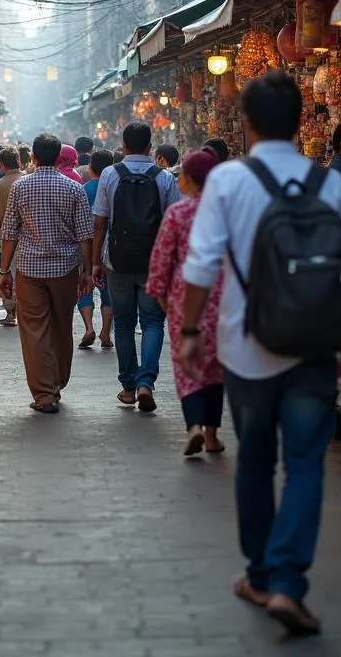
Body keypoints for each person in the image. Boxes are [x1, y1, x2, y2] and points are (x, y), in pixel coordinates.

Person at [179, 72, 341, 636]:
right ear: (298, 119)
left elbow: (201, 263)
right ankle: (288, 582)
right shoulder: (328, 182)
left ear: (248, 121)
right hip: (314, 348)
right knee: (305, 464)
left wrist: (190, 331)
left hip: (246, 349)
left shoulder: (230, 181)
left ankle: (260, 574)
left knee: (256, 461)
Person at [0, 134, 94, 414]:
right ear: (60, 158)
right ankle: (57, 382)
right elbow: (85, 235)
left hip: (29, 269)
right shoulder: (73, 188)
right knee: (62, 325)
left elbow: (9, 233)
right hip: (65, 269)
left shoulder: (21, 187)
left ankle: (45, 393)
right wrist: (87, 270)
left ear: (34, 159)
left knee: (34, 331)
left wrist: (4, 270)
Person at [92, 122, 179, 412]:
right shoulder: (165, 178)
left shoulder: (109, 174)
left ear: (125, 145)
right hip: (154, 261)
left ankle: (128, 387)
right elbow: (172, 225)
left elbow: (100, 221)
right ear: (150, 146)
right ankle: (145, 383)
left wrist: (95, 262)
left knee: (125, 322)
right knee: (153, 322)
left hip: (117, 260)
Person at [146, 148, 225, 457]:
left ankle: (193, 426)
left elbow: (162, 259)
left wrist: (159, 293)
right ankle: (212, 436)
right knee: (215, 368)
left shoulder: (177, 214)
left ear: (190, 179)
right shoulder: (227, 211)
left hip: (183, 298)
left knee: (186, 365)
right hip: (223, 298)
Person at [77, 149, 115, 349]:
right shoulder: (114, 187)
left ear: (91, 168)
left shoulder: (83, 189)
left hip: (86, 245)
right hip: (110, 247)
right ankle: (105, 331)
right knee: (109, 290)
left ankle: (89, 328)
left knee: (85, 287)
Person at [0, 146, 23, 327]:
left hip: (5, 239)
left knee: (6, 273)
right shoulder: (28, 181)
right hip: (27, 238)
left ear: (1, 165)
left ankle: (10, 313)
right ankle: (22, 310)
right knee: (22, 275)